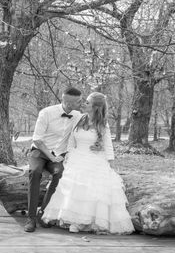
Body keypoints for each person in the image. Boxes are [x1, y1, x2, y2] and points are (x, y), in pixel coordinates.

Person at [41, 91, 135, 235]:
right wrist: (69, 155)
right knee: (72, 188)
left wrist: (110, 163)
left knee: (92, 190)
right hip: (77, 157)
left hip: (95, 158)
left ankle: (85, 222)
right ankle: (72, 220)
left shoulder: (102, 124)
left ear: (95, 107)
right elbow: (72, 139)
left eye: (88, 103)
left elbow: (107, 144)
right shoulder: (80, 118)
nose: (84, 104)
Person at [24, 87, 83, 233]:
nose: (73, 105)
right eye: (71, 102)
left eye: (77, 101)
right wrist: (51, 157)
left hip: (59, 154)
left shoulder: (78, 116)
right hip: (40, 151)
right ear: (65, 101)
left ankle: (43, 214)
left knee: (59, 173)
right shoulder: (46, 113)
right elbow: (37, 139)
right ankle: (31, 218)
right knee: (35, 171)